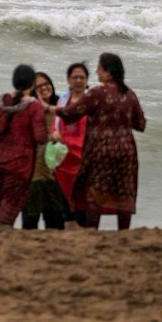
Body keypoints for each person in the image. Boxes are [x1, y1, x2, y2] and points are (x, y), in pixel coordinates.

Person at [55, 53, 146, 230]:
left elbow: (72, 113)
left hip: (100, 150)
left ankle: (92, 232)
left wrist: (51, 109)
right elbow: (141, 124)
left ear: (109, 72)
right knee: (124, 194)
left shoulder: (97, 93)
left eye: (100, 68)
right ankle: (123, 233)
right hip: (126, 151)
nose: (97, 72)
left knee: (95, 192)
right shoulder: (130, 95)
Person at [0, 65, 48, 227]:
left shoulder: (0, 100)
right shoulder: (34, 106)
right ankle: (1, 237)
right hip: (19, 164)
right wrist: (53, 135)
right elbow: (40, 137)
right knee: (9, 206)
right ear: (32, 84)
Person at [20, 72, 71, 230]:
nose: (43, 88)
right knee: (30, 223)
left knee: (55, 224)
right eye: (38, 86)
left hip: (55, 175)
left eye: (46, 83)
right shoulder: (28, 110)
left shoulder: (60, 108)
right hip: (33, 175)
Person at [54, 62, 90, 226]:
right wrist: (54, 133)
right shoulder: (62, 100)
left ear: (87, 80)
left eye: (82, 77)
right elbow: (55, 123)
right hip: (63, 157)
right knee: (64, 199)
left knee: (83, 201)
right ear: (68, 80)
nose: (78, 80)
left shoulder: (92, 100)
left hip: (84, 157)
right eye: (74, 77)